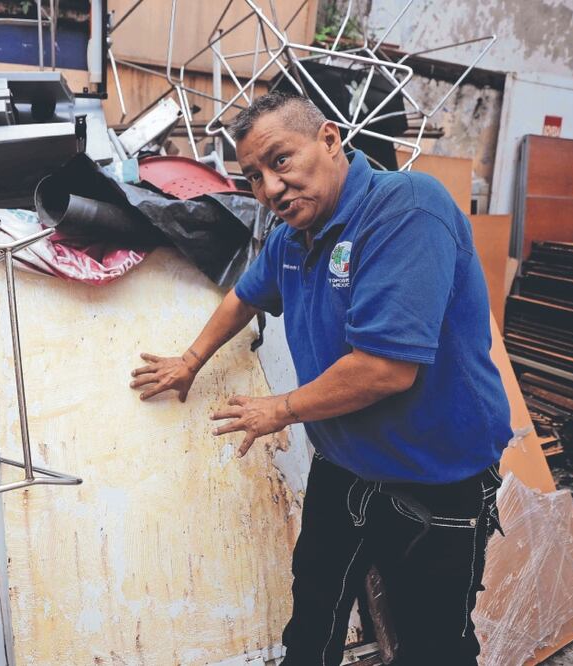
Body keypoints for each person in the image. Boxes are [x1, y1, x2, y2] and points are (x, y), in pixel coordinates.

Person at [130, 92, 512, 665]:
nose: (270, 189)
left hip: (434, 475)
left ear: (329, 140)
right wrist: (190, 362)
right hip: (345, 465)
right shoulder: (294, 235)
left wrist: (278, 409)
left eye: (280, 161)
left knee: (434, 645)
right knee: (312, 621)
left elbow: (385, 369)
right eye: (254, 177)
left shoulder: (405, 209)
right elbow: (244, 296)